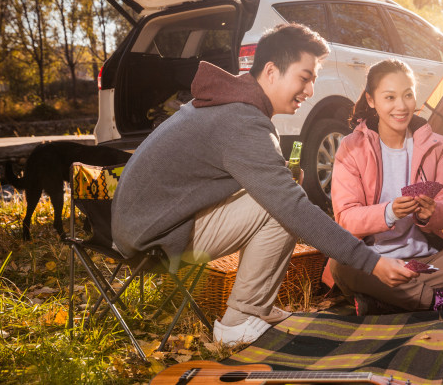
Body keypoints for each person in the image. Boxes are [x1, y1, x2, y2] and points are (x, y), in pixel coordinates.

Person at [111, 24, 417, 345]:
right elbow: (292, 209)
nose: (310, 90)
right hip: (153, 237)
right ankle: (239, 320)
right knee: (282, 209)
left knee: (279, 197)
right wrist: (373, 262)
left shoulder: (229, 105)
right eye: (304, 77)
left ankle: (256, 309)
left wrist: (279, 182)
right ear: (271, 71)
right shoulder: (241, 119)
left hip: (140, 224)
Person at [327, 59, 443, 314]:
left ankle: (388, 300)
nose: (401, 106)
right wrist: (389, 212)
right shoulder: (352, 147)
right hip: (374, 261)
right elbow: (346, 218)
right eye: (390, 97)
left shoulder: (435, 145)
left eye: (408, 95)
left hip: (428, 259)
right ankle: (440, 300)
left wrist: (431, 213)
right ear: (371, 100)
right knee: (341, 266)